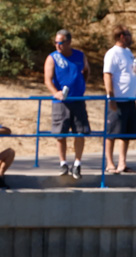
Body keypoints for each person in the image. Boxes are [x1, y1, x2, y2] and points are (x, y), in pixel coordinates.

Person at [44, 29, 90, 180]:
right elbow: (47, 79)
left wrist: (82, 85)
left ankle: (77, 164)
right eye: (56, 42)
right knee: (60, 134)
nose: (58, 45)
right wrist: (55, 92)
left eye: (61, 42)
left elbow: (86, 71)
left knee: (80, 132)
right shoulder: (52, 57)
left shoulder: (79, 55)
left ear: (69, 42)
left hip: (77, 100)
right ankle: (63, 163)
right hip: (61, 102)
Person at [103, 25, 136, 174]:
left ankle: (122, 163)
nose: (131, 37)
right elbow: (107, 75)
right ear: (122, 37)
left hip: (130, 99)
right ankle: (109, 163)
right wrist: (111, 96)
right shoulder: (112, 53)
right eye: (129, 34)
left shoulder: (129, 52)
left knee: (126, 133)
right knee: (112, 132)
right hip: (117, 100)